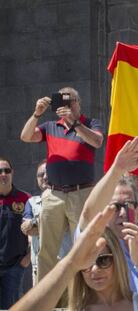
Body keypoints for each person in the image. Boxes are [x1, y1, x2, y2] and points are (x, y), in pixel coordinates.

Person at [78, 137, 138, 310]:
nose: (123, 214)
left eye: (128, 206)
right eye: (115, 207)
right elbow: (88, 213)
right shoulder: (93, 250)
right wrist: (117, 170)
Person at [20, 87, 103, 282]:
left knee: (83, 247)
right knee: (46, 250)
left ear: (78, 103)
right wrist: (36, 113)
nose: (66, 105)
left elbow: (97, 141)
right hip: (54, 194)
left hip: (81, 192)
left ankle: (84, 298)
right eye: (62, 101)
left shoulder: (90, 123)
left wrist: (74, 123)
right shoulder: (50, 126)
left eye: (70, 100)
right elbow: (25, 136)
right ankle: (44, 301)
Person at [20, 159, 72, 285]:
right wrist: (53, 222)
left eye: (48, 172)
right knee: (43, 305)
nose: (45, 177)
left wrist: (37, 224)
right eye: (40, 174)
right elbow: (28, 230)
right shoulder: (31, 202)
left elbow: (67, 227)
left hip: (66, 267)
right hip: (41, 269)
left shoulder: (69, 199)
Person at [69, 227, 133, 310]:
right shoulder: (78, 309)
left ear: (117, 260)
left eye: (103, 260)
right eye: (86, 263)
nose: (95, 269)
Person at [0, 157, 31, 309]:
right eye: (0, 171)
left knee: (12, 308)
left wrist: (29, 257)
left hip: (15, 266)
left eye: (6, 170)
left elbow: (37, 231)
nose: (3, 174)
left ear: (12, 173)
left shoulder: (25, 199)